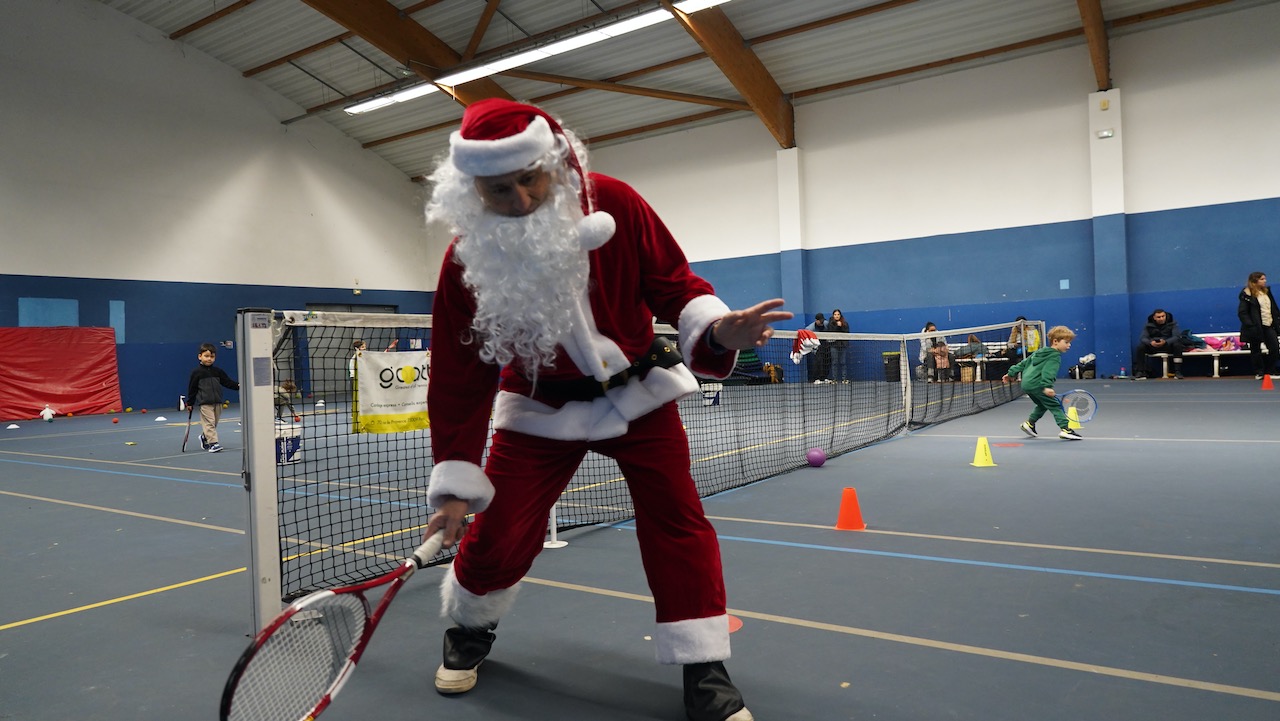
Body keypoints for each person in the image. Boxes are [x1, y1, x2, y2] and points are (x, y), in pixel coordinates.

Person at [421, 99, 790, 721]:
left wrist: (718, 331)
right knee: (502, 531)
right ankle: (470, 627)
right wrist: (455, 484)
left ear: (554, 162)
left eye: (529, 179)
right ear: (471, 188)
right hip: (539, 406)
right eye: (498, 189)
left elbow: (675, 284)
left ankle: (703, 665)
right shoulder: (466, 260)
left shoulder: (615, 202)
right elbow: (460, 376)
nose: (518, 199)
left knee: (678, 521)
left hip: (637, 392)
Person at [1002, 325, 1081, 440]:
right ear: (1055, 341)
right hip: (1037, 384)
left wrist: (1011, 373)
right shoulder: (1055, 356)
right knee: (1055, 405)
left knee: (1042, 404)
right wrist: (1047, 386)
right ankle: (1065, 429)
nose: (1069, 345)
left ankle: (1029, 424)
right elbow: (1048, 372)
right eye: (1066, 342)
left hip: (1026, 384)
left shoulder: (1039, 352)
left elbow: (1024, 363)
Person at [185, 342, 239, 453]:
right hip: (205, 403)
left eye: (212, 356)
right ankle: (213, 443)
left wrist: (238, 386)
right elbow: (192, 389)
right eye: (206, 356)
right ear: (200, 356)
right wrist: (190, 403)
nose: (209, 359)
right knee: (209, 423)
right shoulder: (196, 373)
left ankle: (204, 437)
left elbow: (227, 382)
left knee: (213, 423)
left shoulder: (218, 371)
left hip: (218, 402)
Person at [1237, 271, 1280, 380]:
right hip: (1255, 327)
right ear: (1254, 281)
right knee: (1256, 350)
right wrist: (1251, 325)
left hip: (1268, 325)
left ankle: (1270, 371)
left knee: (1274, 348)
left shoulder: (1266, 292)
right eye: (1262, 279)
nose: (1265, 281)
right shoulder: (1247, 295)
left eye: (1264, 279)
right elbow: (1243, 312)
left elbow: (1273, 308)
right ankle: (1259, 372)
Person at [1133, 308, 1184, 379]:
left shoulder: (1173, 324)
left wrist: (1166, 342)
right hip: (1153, 347)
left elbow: (1176, 336)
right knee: (1140, 347)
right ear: (1154, 318)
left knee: (1177, 345)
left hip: (1167, 346)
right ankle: (1140, 371)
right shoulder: (1148, 325)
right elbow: (1143, 338)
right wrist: (1150, 342)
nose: (1161, 318)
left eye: (1163, 316)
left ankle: (1178, 371)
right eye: (1159, 317)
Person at [805, 312, 830, 383]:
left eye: (822, 321)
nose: (822, 323)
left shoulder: (826, 323)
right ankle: (816, 378)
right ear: (816, 320)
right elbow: (806, 339)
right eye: (820, 321)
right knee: (818, 362)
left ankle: (824, 378)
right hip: (816, 346)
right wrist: (813, 349)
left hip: (825, 345)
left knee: (826, 361)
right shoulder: (810, 328)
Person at [828, 308, 850, 382]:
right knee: (834, 362)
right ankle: (834, 379)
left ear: (840, 315)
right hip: (834, 345)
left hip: (842, 345)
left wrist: (841, 326)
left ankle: (844, 379)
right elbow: (831, 332)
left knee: (843, 362)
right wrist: (837, 326)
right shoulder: (830, 324)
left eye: (838, 314)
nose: (836, 316)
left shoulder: (845, 323)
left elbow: (847, 332)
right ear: (833, 315)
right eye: (835, 314)